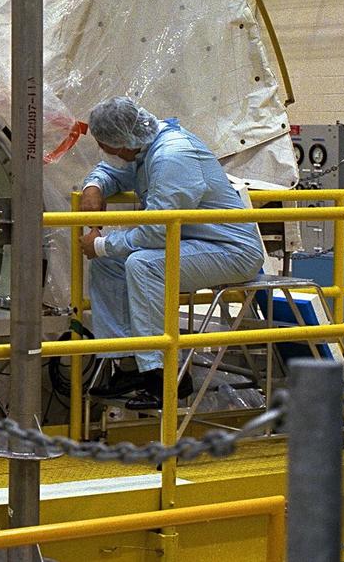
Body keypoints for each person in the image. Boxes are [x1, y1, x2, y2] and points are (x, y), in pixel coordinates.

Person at [79, 97, 265, 409]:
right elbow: (113, 173)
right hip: (195, 244)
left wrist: (100, 244)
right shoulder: (148, 151)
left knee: (144, 264)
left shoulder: (171, 157)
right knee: (110, 265)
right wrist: (93, 187)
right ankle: (129, 363)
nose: (105, 152)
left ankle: (165, 376)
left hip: (231, 251)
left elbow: (157, 232)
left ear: (123, 141)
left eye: (105, 145)